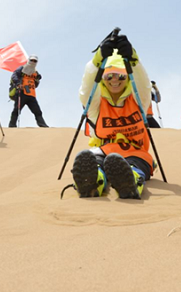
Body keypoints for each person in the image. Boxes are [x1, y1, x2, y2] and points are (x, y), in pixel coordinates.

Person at [65, 33, 154, 199]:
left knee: (134, 165)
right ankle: (92, 183)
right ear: (103, 77)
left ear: (127, 77)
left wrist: (134, 60)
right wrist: (96, 61)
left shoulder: (138, 100)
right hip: (104, 150)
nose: (115, 80)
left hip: (135, 152)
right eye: (109, 76)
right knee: (94, 161)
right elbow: (86, 90)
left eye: (121, 75)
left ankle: (131, 182)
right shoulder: (96, 104)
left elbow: (144, 86)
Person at [8, 54, 48, 128]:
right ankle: (12, 126)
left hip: (31, 94)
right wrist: (18, 83)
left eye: (35, 61)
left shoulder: (35, 72)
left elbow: (36, 84)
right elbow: (14, 75)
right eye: (32, 60)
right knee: (17, 110)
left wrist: (37, 79)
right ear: (29, 60)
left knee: (37, 111)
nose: (33, 62)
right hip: (22, 92)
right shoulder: (22, 68)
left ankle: (43, 125)